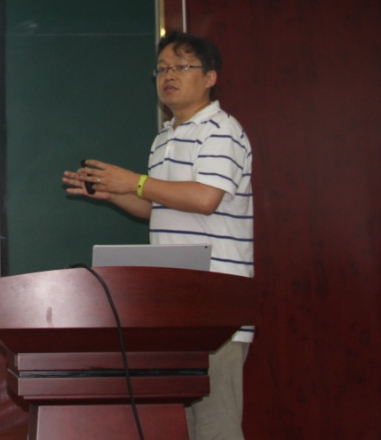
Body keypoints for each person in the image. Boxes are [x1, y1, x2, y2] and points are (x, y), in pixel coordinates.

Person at [62, 30, 254, 440]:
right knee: (179, 426)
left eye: (182, 66)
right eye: (162, 69)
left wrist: (134, 182)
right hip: (174, 306)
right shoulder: (165, 137)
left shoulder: (220, 130)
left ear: (210, 78)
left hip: (215, 303)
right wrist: (114, 193)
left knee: (216, 427)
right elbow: (158, 208)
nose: (169, 75)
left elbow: (205, 198)